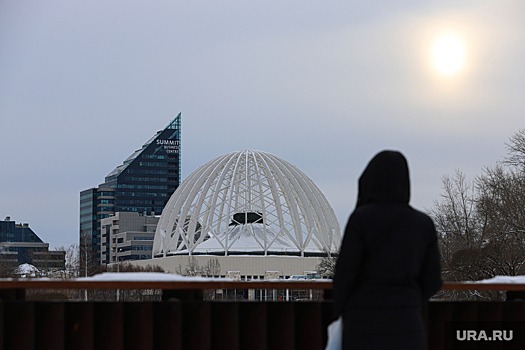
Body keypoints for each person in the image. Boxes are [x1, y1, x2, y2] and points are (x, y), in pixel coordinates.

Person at [333, 150, 442, 350]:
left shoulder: (360, 219)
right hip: (408, 325)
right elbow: (433, 279)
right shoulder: (423, 223)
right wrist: (409, 299)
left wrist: (341, 310)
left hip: (362, 326)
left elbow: (345, 274)